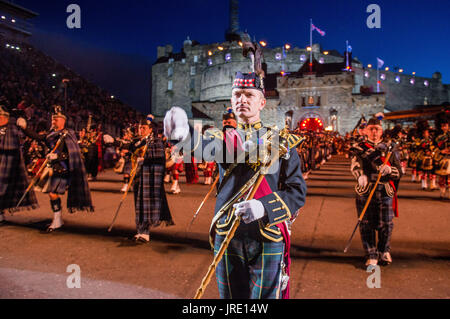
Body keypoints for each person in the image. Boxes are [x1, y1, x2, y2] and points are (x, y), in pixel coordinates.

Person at [164, 67, 307, 299]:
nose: (242, 99)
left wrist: (264, 206)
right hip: (228, 230)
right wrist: (180, 134)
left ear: (262, 103)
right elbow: (201, 147)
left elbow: (297, 191)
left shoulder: (282, 141)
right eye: (237, 94)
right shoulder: (220, 139)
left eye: (249, 95)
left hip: (268, 232)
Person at [17, 105, 94, 232]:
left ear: (63, 120)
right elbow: (37, 137)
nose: (53, 121)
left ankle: (57, 219)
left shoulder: (69, 134)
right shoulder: (51, 134)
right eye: (53, 119)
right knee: (52, 194)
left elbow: (73, 153)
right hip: (53, 168)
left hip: (64, 168)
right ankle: (57, 218)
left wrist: (58, 156)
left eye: (56, 119)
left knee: (53, 193)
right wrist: (25, 128)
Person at [350, 116, 402, 266]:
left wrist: (390, 169)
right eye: (371, 129)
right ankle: (371, 253)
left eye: (377, 129)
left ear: (381, 131)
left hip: (385, 189)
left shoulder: (390, 148)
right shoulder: (359, 147)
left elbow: (399, 171)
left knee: (386, 222)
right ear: (366, 130)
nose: (374, 132)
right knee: (366, 222)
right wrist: (360, 176)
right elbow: (355, 165)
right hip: (365, 188)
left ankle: (384, 250)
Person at [131, 115, 174, 243]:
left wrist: (145, 160)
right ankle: (140, 231)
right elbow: (131, 151)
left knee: (145, 206)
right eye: (139, 128)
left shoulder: (156, 141)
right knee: (138, 206)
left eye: (144, 128)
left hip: (148, 179)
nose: (141, 130)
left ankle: (145, 233)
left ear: (150, 129)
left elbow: (160, 159)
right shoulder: (138, 142)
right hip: (138, 177)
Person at [0, 105, 39, 223]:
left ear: (4, 117)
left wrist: (24, 125)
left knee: (5, 188)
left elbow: (25, 135)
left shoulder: (13, 127)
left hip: (10, 162)